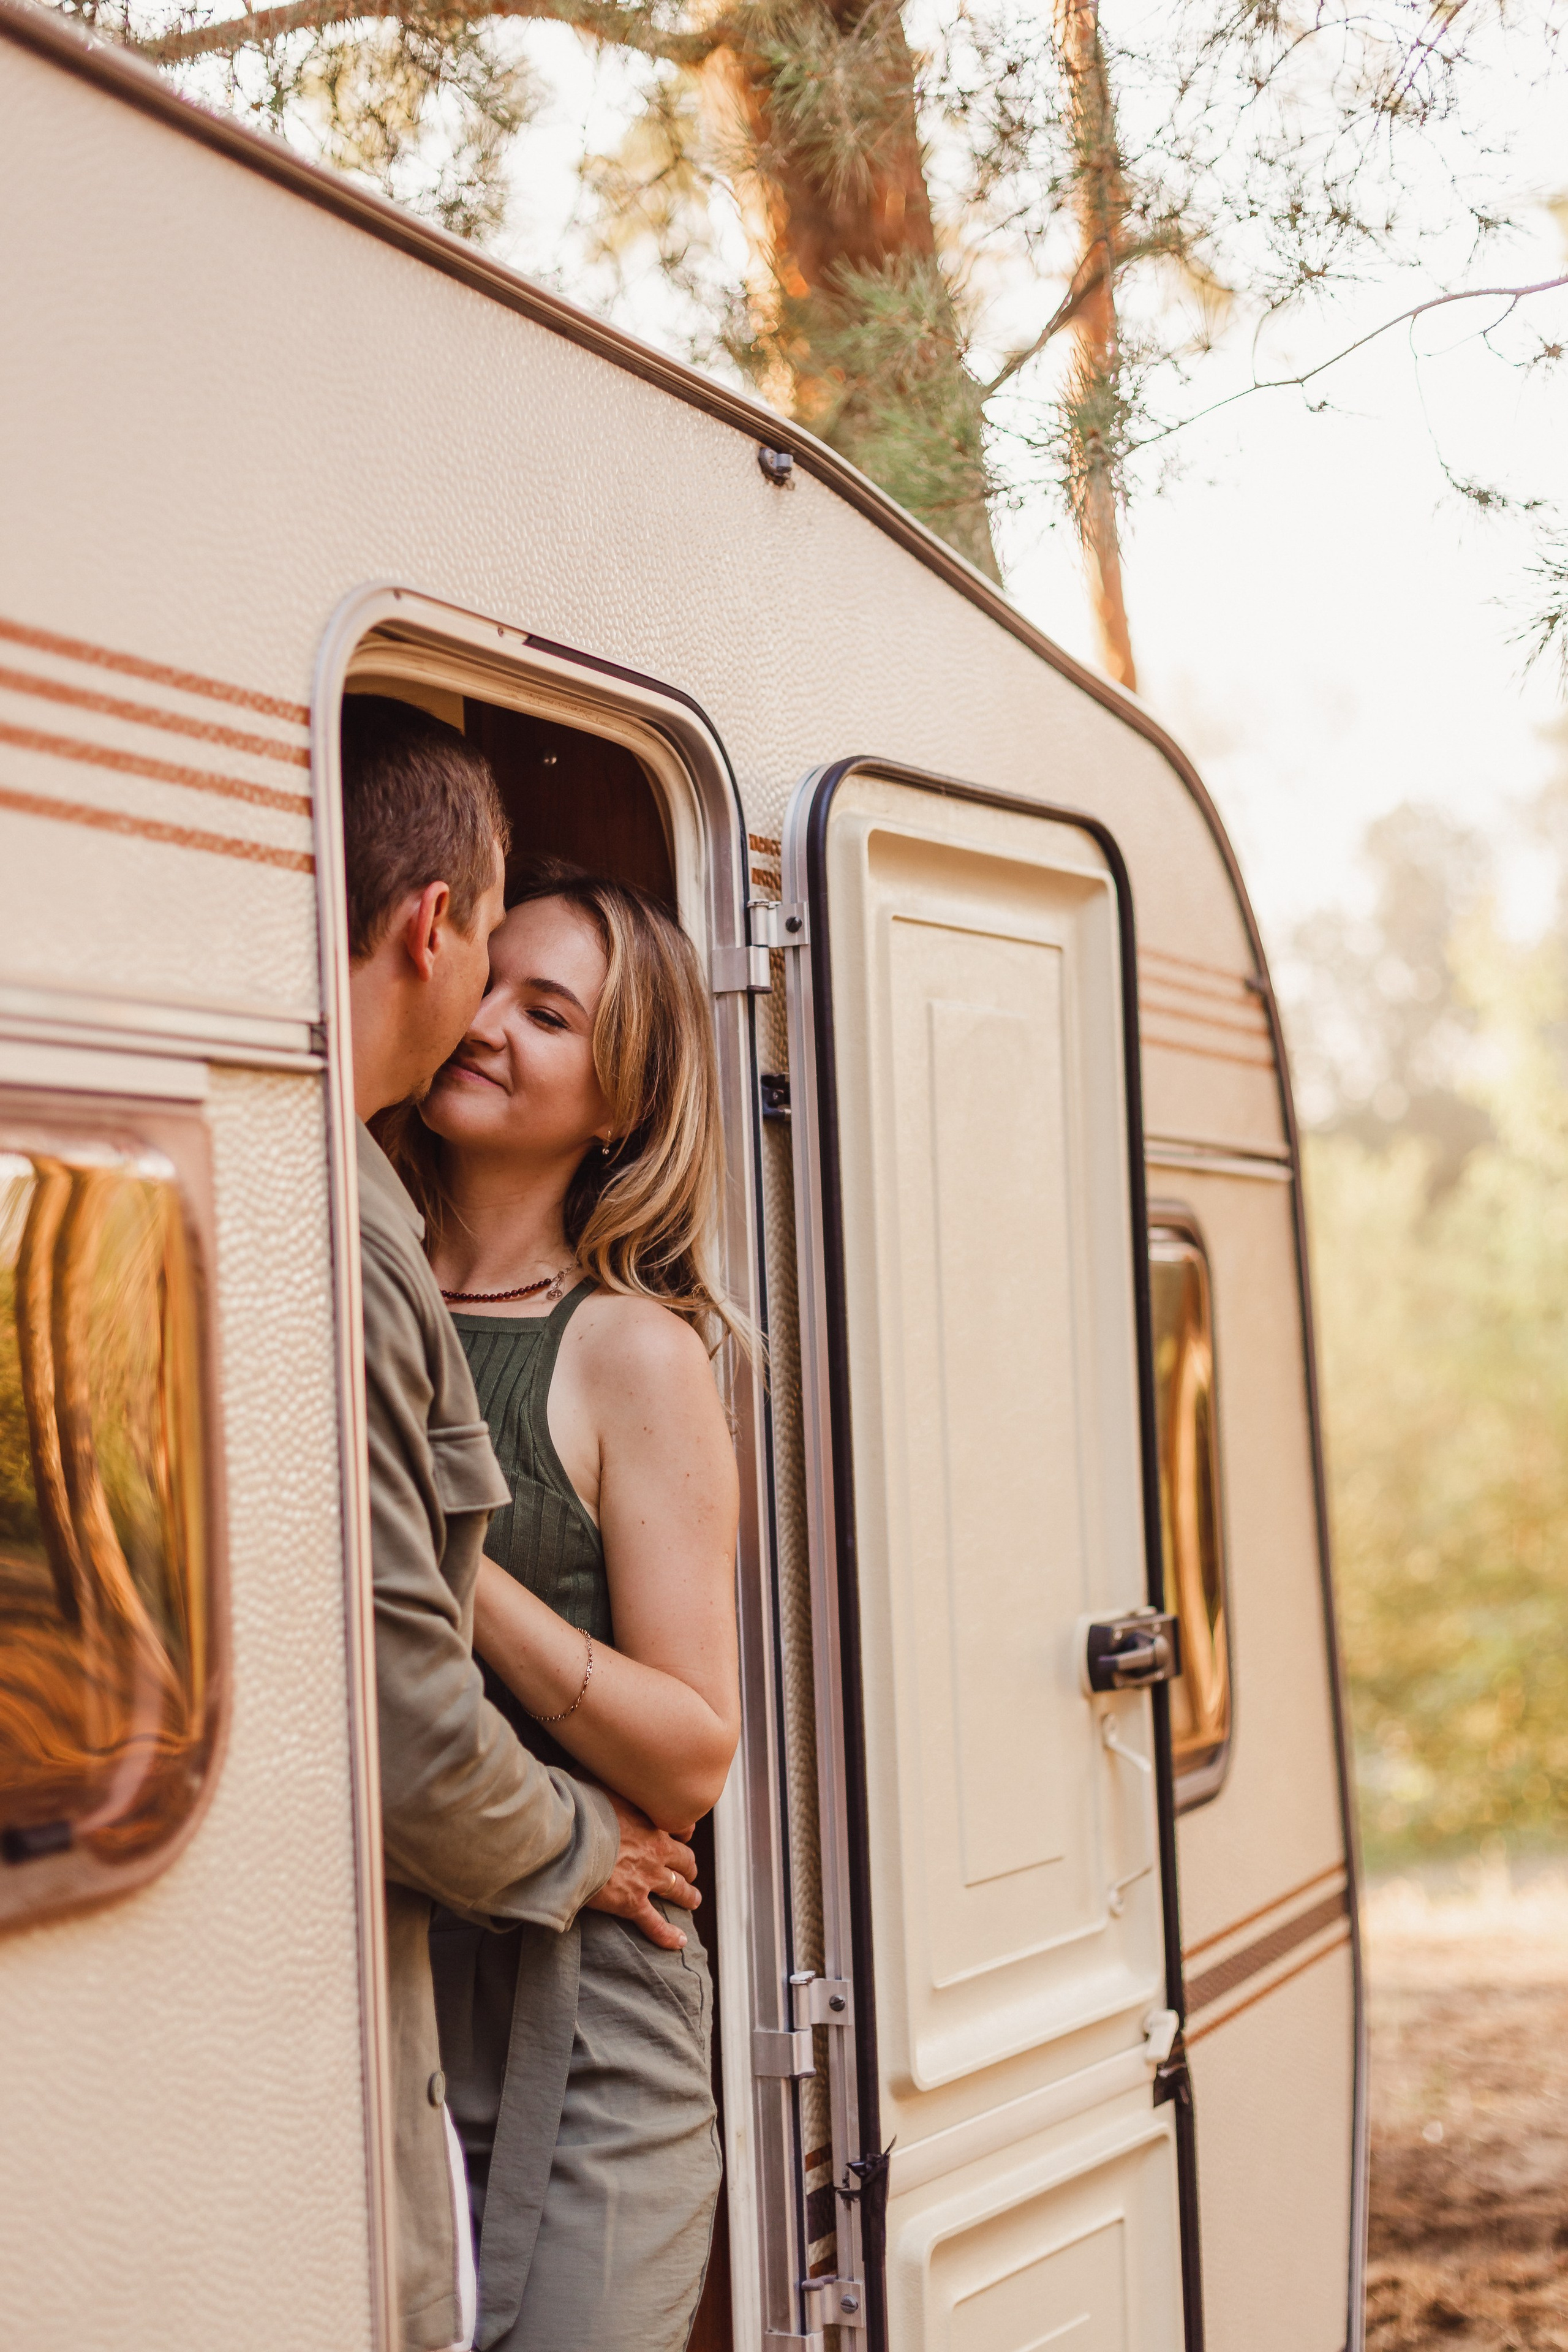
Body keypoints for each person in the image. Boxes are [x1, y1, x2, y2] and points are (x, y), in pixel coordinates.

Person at [341, 701, 703, 2352]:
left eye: (549, 1014)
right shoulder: (349, 1237)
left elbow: (692, 1759)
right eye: (492, 979)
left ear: (619, 1097)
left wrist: (450, 1577)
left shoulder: (632, 1349)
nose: (487, 1023)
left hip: (592, 2020)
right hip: (393, 1997)